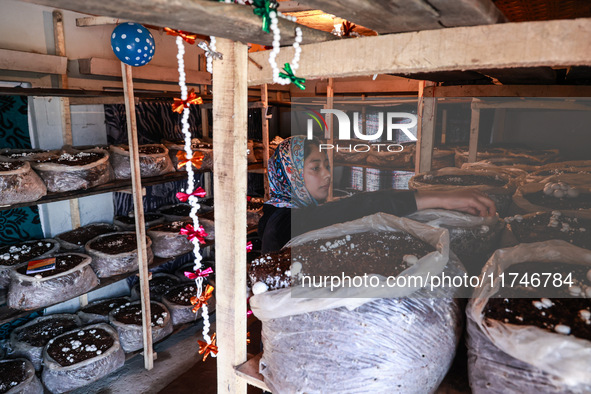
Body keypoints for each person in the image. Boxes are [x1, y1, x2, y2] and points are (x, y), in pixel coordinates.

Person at [259, 136, 496, 254]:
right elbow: (362, 206)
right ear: (290, 175)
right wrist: (439, 198)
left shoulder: (288, 212)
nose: (328, 175)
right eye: (315, 168)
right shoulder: (283, 223)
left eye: (327, 166)